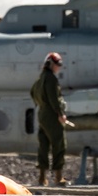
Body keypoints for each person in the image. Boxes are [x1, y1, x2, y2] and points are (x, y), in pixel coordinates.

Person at [30, 52, 68, 186]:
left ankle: (42, 178)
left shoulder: (40, 79)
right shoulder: (51, 78)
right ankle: (58, 177)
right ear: (51, 64)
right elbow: (54, 98)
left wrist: (41, 105)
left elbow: (32, 92)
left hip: (42, 114)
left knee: (43, 146)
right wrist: (60, 113)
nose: (59, 67)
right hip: (51, 114)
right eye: (57, 65)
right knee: (59, 143)